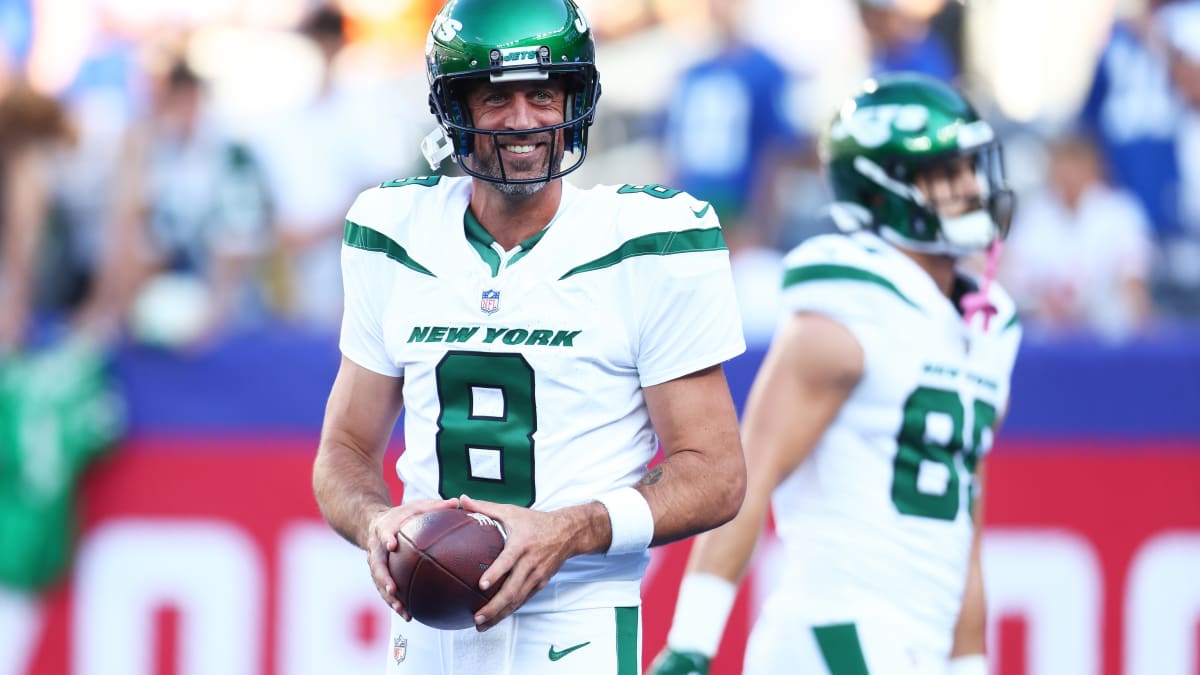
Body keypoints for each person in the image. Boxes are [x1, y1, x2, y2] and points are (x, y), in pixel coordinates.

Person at [310, 1, 747, 673]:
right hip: (424, 632)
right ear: (455, 108)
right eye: (495, 98)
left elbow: (715, 474)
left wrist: (570, 529)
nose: (523, 121)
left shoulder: (647, 242)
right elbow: (342, 450)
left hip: (576, 629)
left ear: (576, 97)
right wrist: (377, 523)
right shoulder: (394, 231)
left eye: (543, 94)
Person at [649, 73, 1023, 675]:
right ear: (886, 188)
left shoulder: (990, 324)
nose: (972, 188)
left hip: (920, 637)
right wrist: (692, 643)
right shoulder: (850, 307)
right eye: (947, 173)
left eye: (971, 168)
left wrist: (970, 659)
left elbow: (965, 524)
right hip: (840, 629)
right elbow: (749, 476)